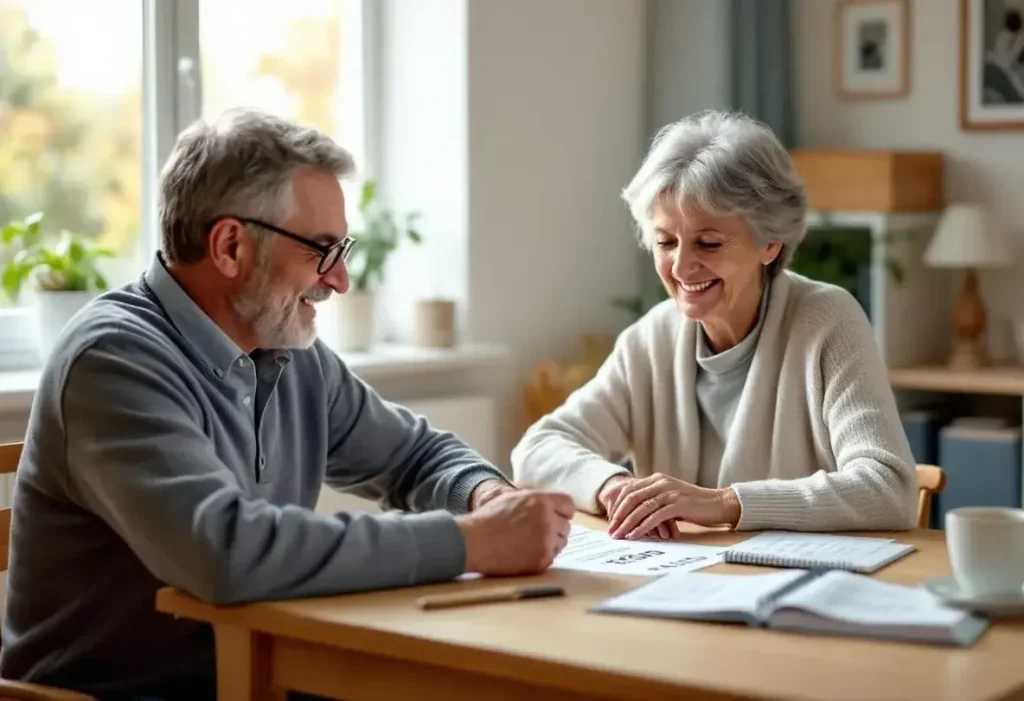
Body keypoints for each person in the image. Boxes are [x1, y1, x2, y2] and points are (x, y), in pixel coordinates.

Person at [0, 107, 574, 700]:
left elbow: (414, 455)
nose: (341, 279)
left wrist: (487, 496)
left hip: (256, 673)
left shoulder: (285, 346)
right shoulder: (113, 360)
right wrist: (475, 542)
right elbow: (225, 552)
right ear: (229, 246)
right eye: (321, 250)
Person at [511, 110, 916, 541]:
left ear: (770, 242)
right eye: (666, 241)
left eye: (709, 242)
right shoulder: (652, 339)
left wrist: (723, 503)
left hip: (800, 589)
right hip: (688, 585)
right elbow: (538, 449)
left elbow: (889, 488)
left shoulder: (828, 321)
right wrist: (615, 487)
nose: (682, 266)